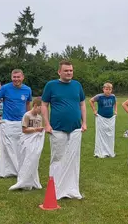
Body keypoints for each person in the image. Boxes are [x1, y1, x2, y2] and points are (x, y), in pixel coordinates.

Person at [41, 60, 86, 200]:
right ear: (59, 72)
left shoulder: (77, 85)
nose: (69, 73)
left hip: (75, 129)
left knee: (73, 158)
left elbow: (82, 104)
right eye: (66, 70)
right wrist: (47, 124)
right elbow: (44, 105)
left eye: (71, 70)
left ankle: (72, 188)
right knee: (57, 157)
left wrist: (84, 122)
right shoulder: (51, 85)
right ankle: (56, 188)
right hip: (57, 128)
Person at [0, 69, 32, 178]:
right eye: (14, 77)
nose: (16, 79)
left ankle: (21, 168)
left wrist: (29, 118)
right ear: (11, 78)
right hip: (8, 122)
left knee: (21, 146)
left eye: (18, 77)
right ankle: (9, 170)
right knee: (8, 147)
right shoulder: (5, 88)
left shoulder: (27, 89)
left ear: (22, 77)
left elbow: (28, 104)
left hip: (21, 122)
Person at [9, 97, 45, 191]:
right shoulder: (27, 115)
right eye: (41, 107)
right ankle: (23, 180)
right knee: (26, 159)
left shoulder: (39, 117)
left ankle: (33, 181)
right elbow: (24, 130)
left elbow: (39, 129)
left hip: (35, 141)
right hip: (27, 140)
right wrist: (36, 130)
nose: (42, 110)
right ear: (36, 105)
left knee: (34, 160)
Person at [89, 82, 117, 158]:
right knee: (101, 135)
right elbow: (91, 101)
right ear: (103, 89)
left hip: (110, 118)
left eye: (110, 89)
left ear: (111, 90)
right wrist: (94, 110)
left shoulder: (113, 96)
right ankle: (100, 151)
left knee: (110, 135)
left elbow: (115, 103)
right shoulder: (99, 96)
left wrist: (115, 110)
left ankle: (109, 150)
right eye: (106, 89)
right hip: (101, 118)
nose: (108, 91)